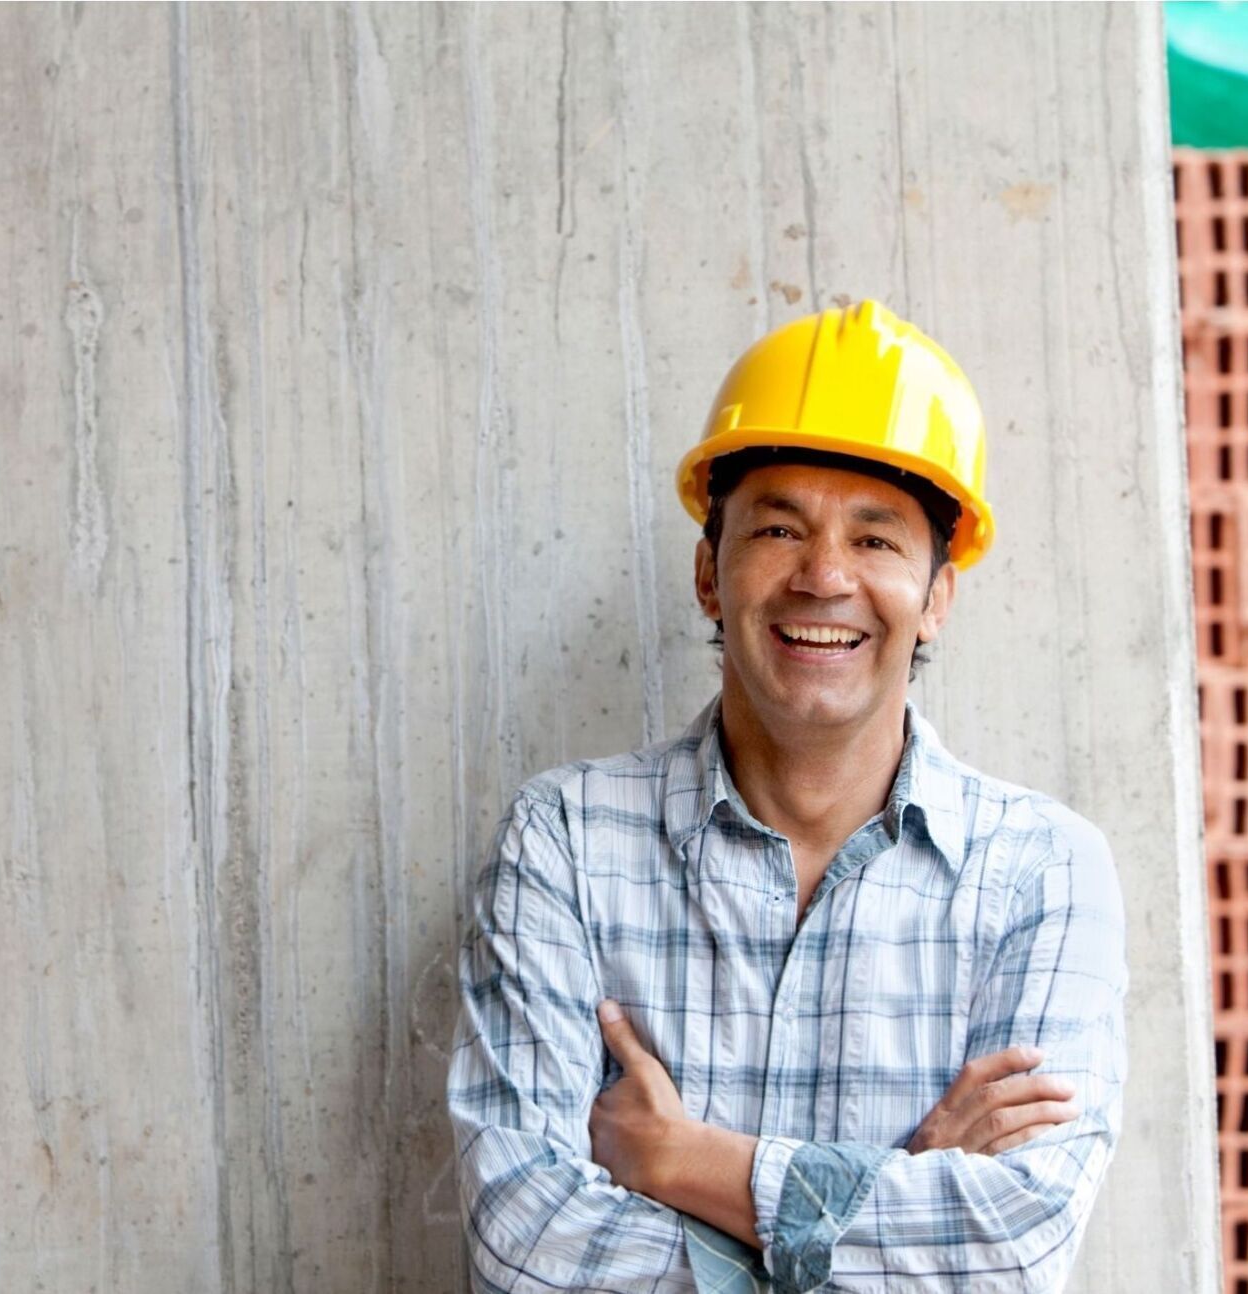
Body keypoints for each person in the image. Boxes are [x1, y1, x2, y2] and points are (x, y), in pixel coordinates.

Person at [445, 301, 1126, 1293]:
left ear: (937, 595)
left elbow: (1015, 1252)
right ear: (708, 573)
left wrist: (686, 1163)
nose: (824, 576)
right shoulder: (563, 845)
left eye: (878, 539)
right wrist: (904, 1188)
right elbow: (526, 1244)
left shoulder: (1042, 873)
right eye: (778, 527)